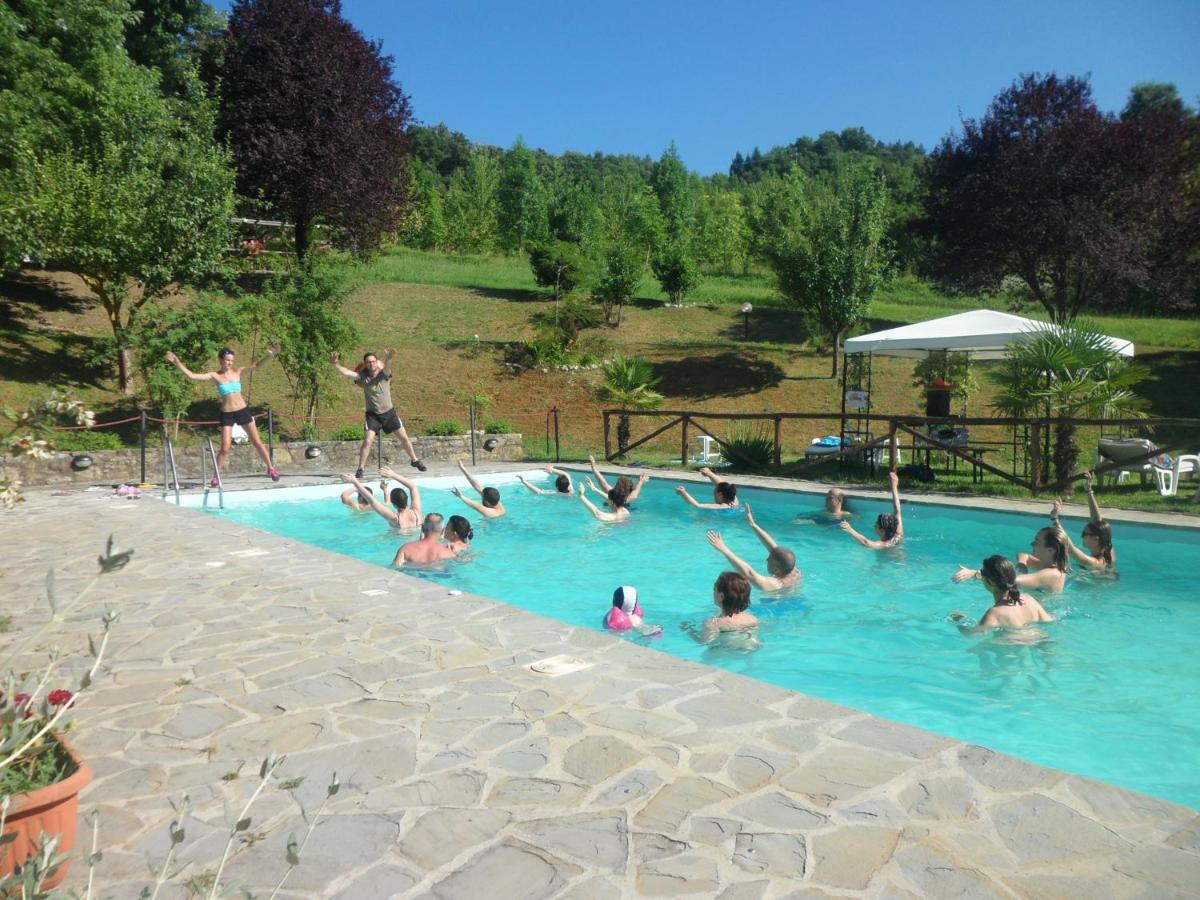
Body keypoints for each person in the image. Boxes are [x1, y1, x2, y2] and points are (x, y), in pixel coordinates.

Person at [165, 345, 282, 484]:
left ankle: (271, 468)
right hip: (227, 414)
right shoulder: (215, 376)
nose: (229, 363)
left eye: (231, 360)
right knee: (225, 447)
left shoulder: (238, 372)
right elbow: (192, 375)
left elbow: (257, 366)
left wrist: (270, 355)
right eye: (227, 360)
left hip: (243, 410)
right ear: (221, 360)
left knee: (257, 442)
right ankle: (216, 476)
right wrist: (177, 362)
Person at [331, 349, 426, 478]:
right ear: (365, 364)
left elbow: (388, 367)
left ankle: (415, 460)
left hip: (389, 413)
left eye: (373, 361)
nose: (371, 364)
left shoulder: (384, 375)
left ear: (377, 362)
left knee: (404, 437)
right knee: (368, 441)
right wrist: (335, 364)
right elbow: (347, 373)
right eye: (369, 362)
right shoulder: (363, 377)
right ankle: (360, 469)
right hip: (373, 415)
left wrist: (389, 357)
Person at [705, 503, 800, 592]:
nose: (766, 560)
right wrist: (753, 524)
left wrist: (724, 549)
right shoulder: (793, 570)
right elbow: (776, 550)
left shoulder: (776, 585)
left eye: (768, 559)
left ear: (776, 570)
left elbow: (749, 574)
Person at [950, 555, 1055, 635]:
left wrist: (959, 620)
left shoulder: (994, 614)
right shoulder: (1029, 599)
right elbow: (1049, 620)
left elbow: (971, 634)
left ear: (989, 582)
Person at [956, 526, 1068, 593]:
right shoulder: (1053, 566)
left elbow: (1008, 581)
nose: (1032, 544)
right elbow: (1024, 555)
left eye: (1037, 542)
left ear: (1050, 550)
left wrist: (974, 574)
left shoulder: (1050, 574)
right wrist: (1022, 562)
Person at [1052, 472, 1118, 572]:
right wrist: (1089, 490)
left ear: (1096, 539)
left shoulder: (1094, 562)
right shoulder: (1108, 549)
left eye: (1084, 533)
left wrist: (1055, 519)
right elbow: (1098, 521)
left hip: (1094, 587)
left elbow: (1069, 547)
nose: (1081, 536)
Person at [681, 571, 759, 645]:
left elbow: (704, 642)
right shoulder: (752, 619)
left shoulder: (714, 623)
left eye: (714, 589)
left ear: (721, 596)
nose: (713, 592)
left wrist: (689, 630)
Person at [839, 470, 904, 550]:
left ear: (882, 531)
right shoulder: (898, 534)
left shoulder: (884, 545)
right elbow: (897, 510)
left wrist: (850, 530)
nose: (874, 525)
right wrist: (894, 486)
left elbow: (866, 542)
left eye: (876, 524)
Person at [344, 466, 421, 530]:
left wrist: (355, 482)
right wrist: (393, 475)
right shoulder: (417, 512)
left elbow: (372, 501)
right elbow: (413, 487)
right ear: (407, 498)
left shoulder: (395, 518)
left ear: (393, 503)